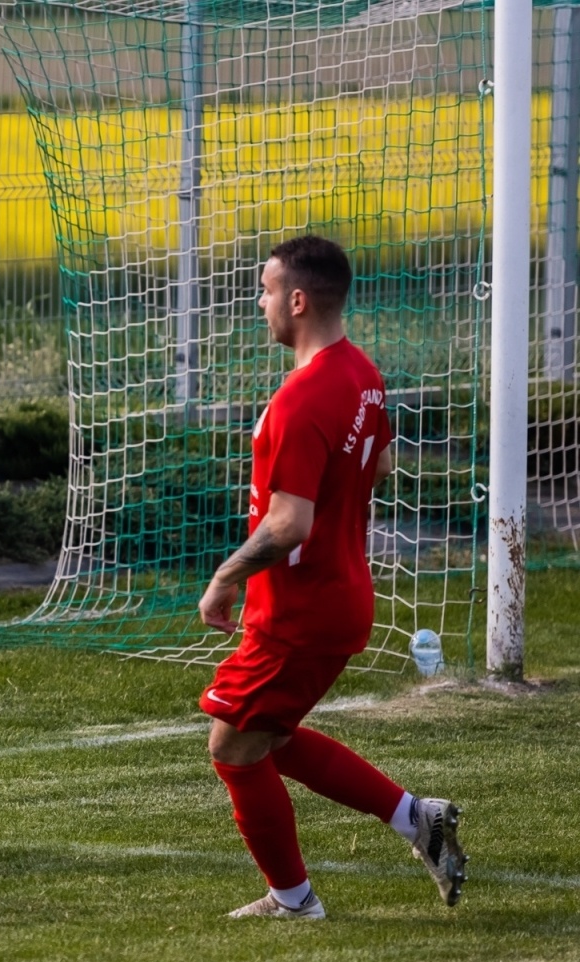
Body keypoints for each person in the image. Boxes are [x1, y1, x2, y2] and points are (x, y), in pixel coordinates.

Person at [197, 235, 466, 919]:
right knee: (271, 736)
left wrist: (225, 577)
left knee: (233, 743)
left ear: (296, 298)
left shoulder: (301, 398)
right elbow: (378, 467)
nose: (259, 304)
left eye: (264, 290)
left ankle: (294, 902)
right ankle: (416, 819)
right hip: (341, 594)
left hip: (301, 613)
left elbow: (289, 525)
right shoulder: (363, 375)